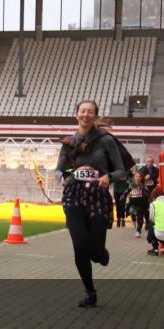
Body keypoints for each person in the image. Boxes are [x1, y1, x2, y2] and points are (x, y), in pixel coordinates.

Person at [55, 100, 127, 308]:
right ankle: (90, 292)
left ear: (95, 116)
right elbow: (59, 169)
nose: (86, 115)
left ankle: (101, 254)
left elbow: (121, 171)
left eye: (90, 112)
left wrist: (109, 177)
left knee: (95, 252)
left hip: (98, 196)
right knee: (79, 246)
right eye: (82, 111)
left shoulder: (105, 140)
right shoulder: (69, 142)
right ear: (76, 114)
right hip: (74, 195)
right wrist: (61, 176)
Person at [126, 171, 149, 237]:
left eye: (139, 176)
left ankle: (138, 231)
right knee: (133, 215)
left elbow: (147, 194)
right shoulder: (131, 185)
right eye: (136, 176)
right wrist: (128, 197)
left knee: (140, 217)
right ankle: (134, 223)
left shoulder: (143, 185)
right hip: (132, 202)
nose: (137, 178)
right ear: (134, 177)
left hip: (141, 203)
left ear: (141, 178)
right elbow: (127, 193)